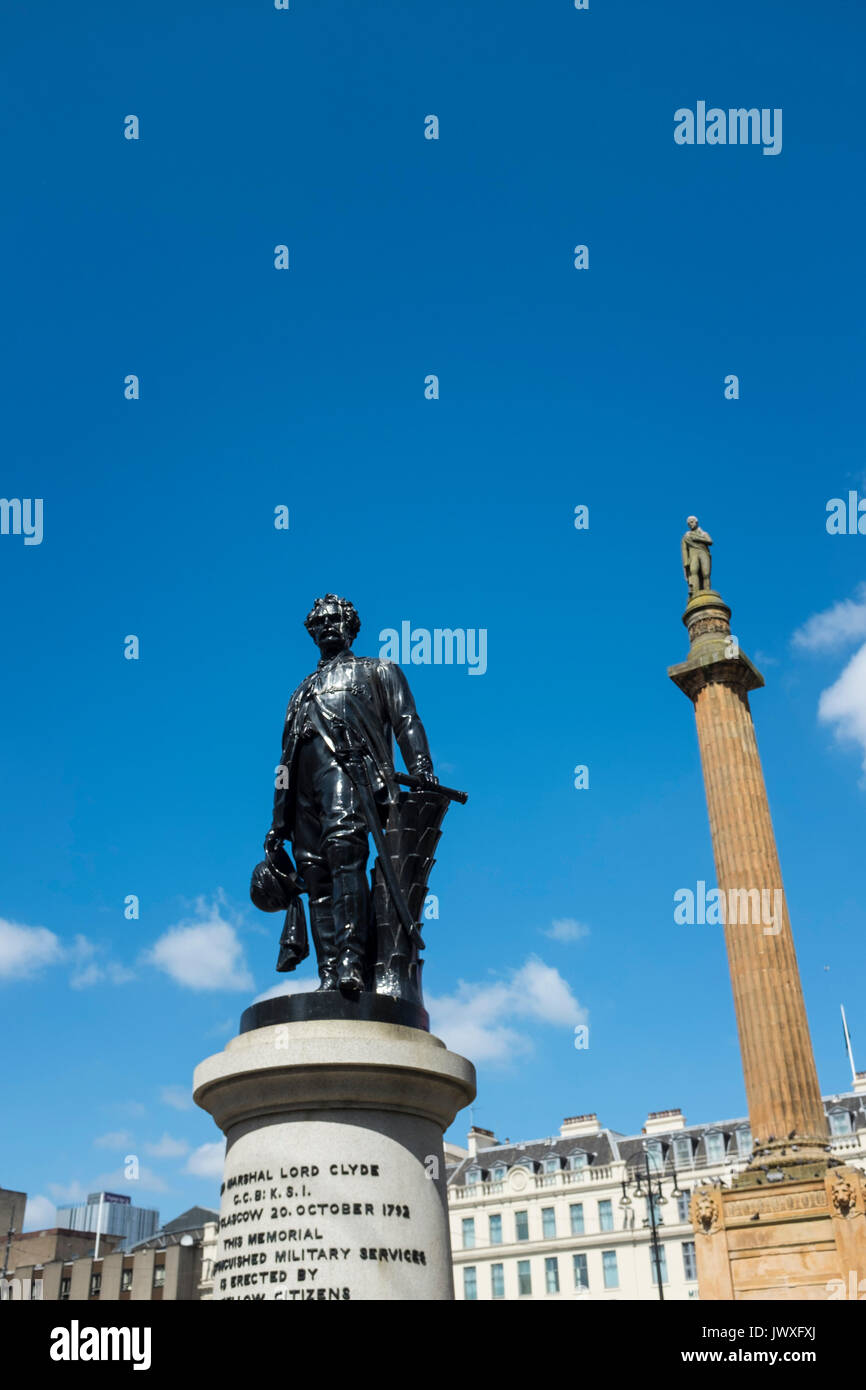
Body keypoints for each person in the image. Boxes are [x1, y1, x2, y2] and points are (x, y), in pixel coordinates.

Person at [265, 594, 436, 994]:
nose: (327, 626)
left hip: (348, 773)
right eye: (320, 622)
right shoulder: (301, 692)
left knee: (344, 853)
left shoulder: (378, 671)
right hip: (302, 792)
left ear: (351, 627)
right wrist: (277, 822)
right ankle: (328, 973)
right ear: (311, 632)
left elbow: (406, 720)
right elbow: (284, 761)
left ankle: (351, 961)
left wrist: (421, 769)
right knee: (314, 873)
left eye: (335, 619)